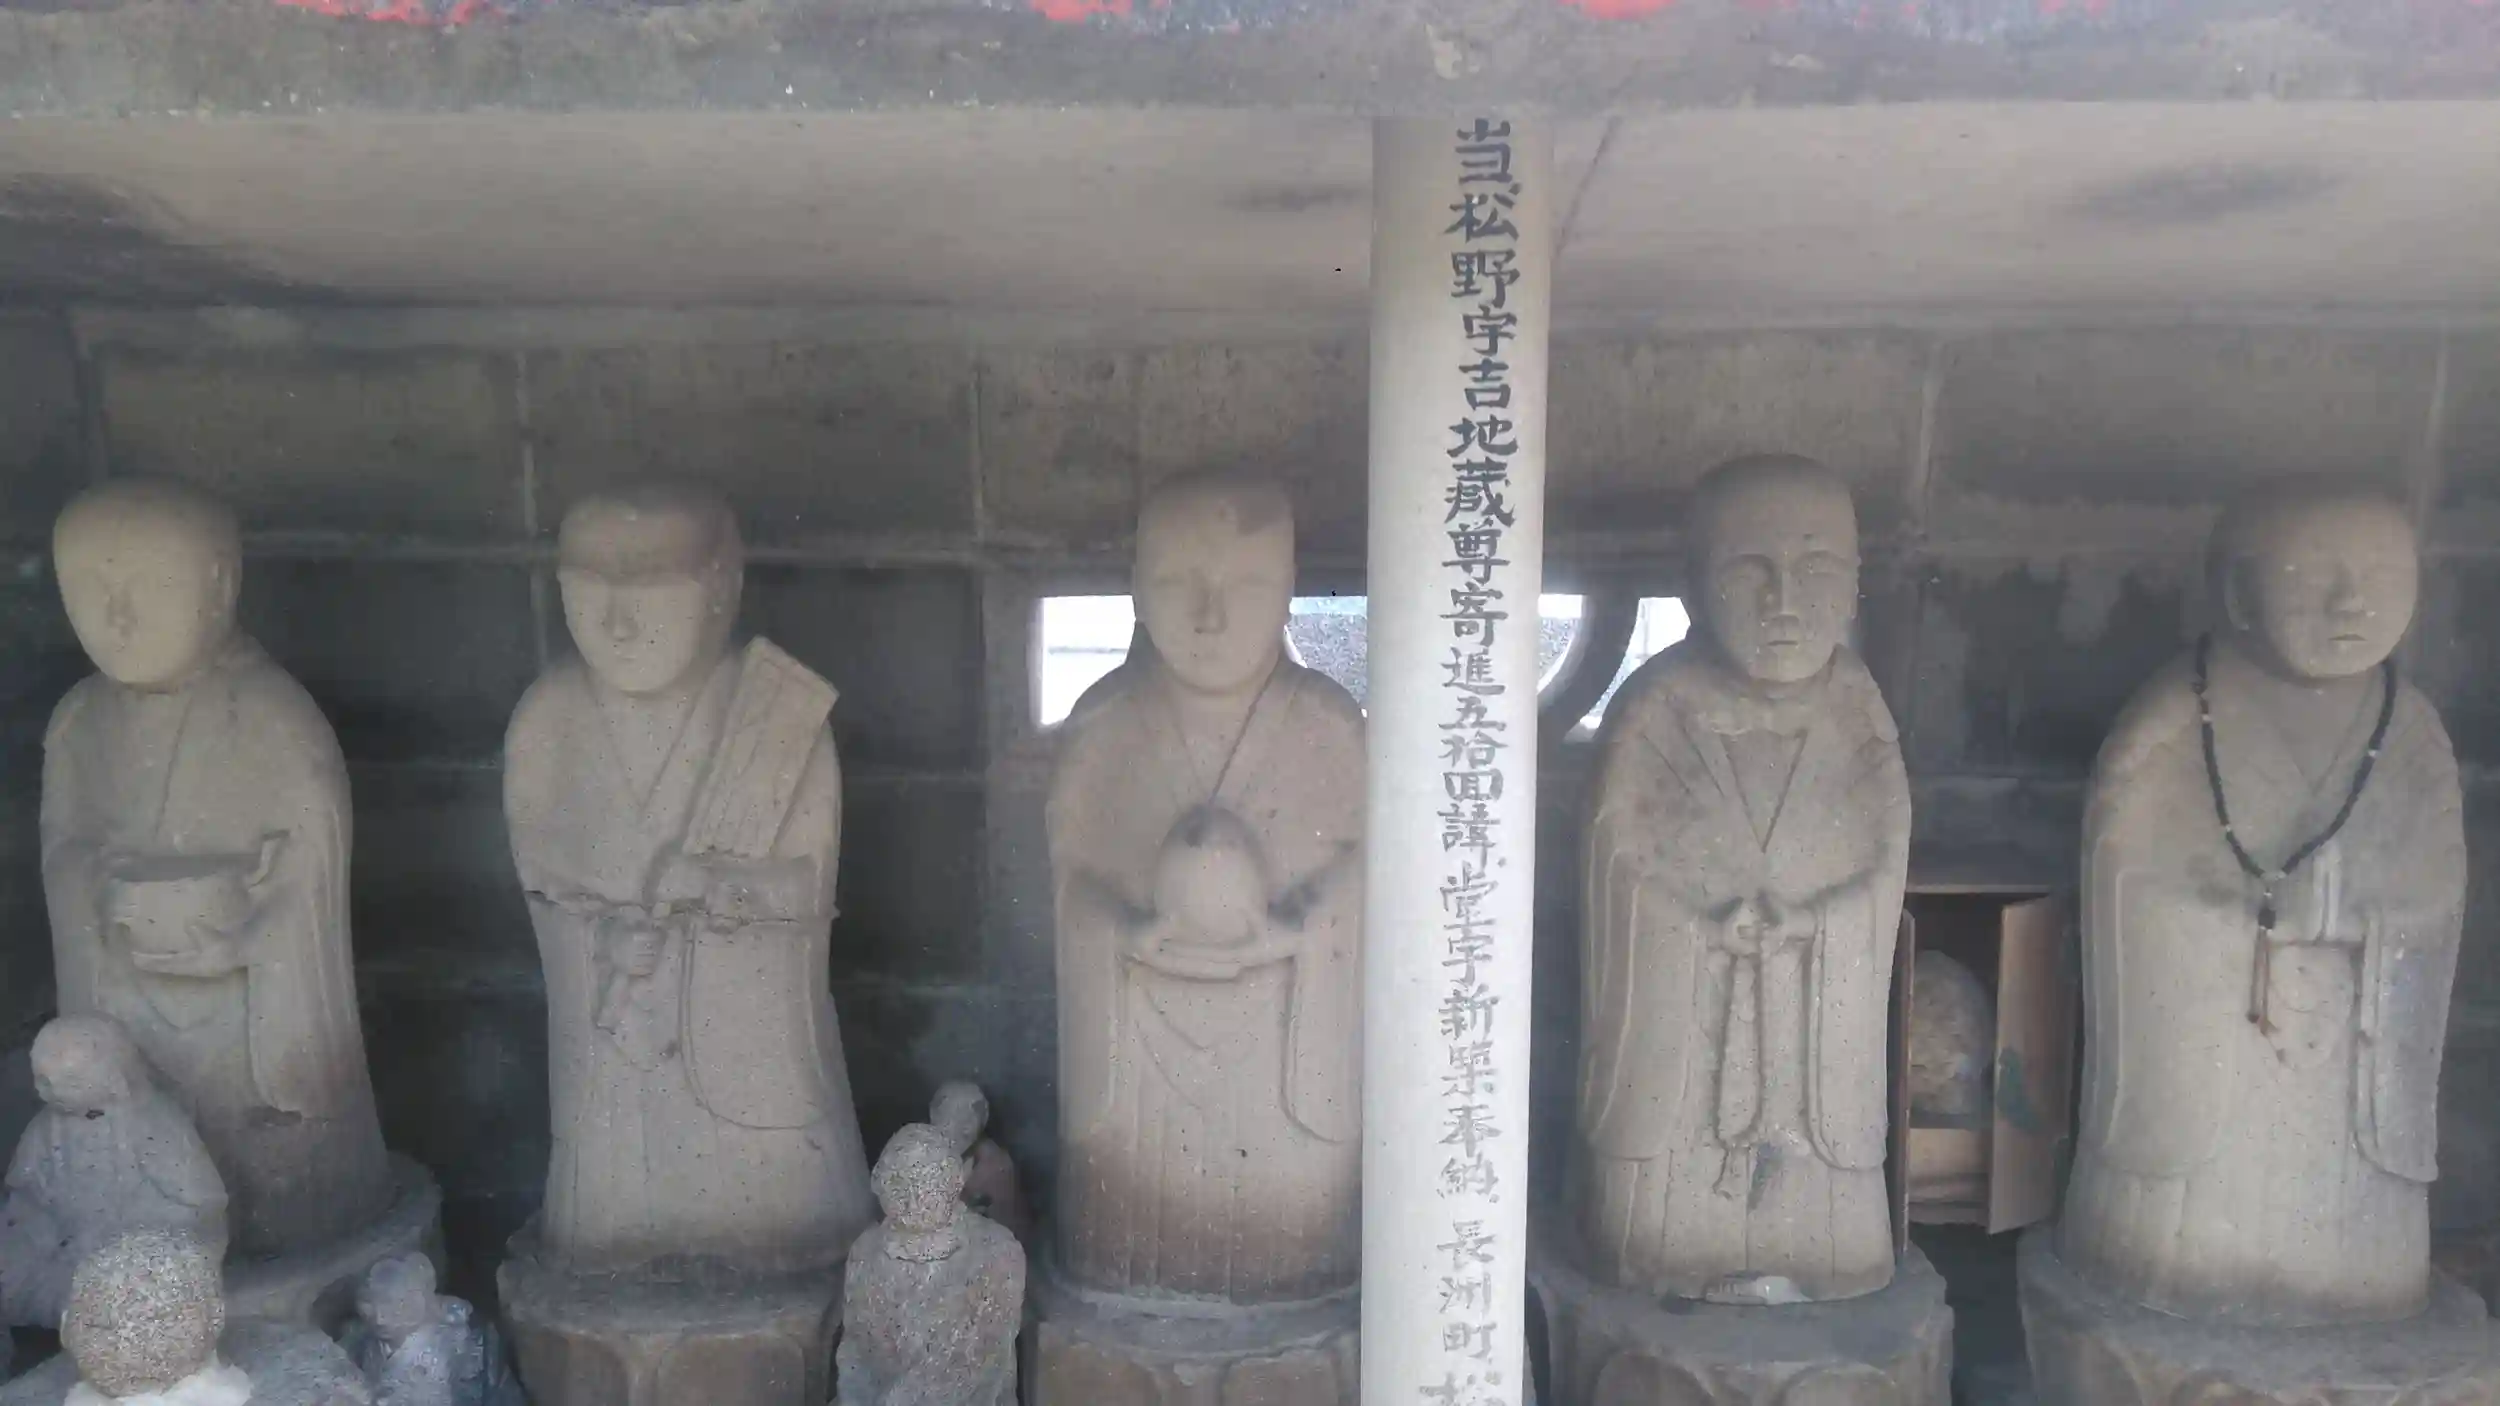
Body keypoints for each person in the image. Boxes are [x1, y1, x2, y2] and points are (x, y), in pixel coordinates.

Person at [2060, 487, 2461, 1326]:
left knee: (2353, 1230)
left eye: (2382, 576)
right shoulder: (2177, 715)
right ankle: (2172, 1276)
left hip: (2350, 1054)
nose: (2350, 603)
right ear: (2238, 592)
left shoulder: (2409, 726)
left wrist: (2356, 914)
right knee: (2185, 1242)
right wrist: (2230, 915)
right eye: (2314, 575)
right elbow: (2125, 871)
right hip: (2213, 1054)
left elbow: (2435, 884)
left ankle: (2358, 1289)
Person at [503, 481, 872, 1274]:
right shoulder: (548, 719)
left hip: (744, 1050)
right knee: (608, 1239)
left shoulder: (777, 719)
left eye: (649, 591)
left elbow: (807, 901)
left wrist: (715, 888)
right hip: (617, 1048)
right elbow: (543, 887)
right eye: (587, 592)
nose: (617, 622)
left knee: (784, 1238)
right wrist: (604, 938)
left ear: (723, 586)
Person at [1574, 455, 1908, 1304]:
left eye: (1816, 571)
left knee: (1834, 1240)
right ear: (1691, 586)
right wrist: (1693, 926)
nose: (1782, 602)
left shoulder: (1860, 712)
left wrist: (1818, 926)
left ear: (1856, 583)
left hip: (1815, 1056)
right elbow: (1618, 863)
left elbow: (1884, 860)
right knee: (1654, 1239)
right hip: (1682, 1055)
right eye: (1748, 571)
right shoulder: (1654, 709)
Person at [42, 479, 390, 1257]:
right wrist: (96, 888)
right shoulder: (78, 722)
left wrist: (252, 935)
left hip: (244, 1004)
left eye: (152, 588)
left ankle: (284, 1228)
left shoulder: (271, 713)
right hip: (127, 981)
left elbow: (313, 869)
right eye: (91, 591)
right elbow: (62, 851)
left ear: (222, 584)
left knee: (269, 1161)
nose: (119, 618)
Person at [1046, 471, 1362, 1301]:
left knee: (1293, 1231)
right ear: (1135, 590)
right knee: (1127, 1216)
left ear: (1289, 589)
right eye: (1177, 584)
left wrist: (1305, 929)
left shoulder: (1329, 727)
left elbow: (1370, 876)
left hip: (1285, 1042)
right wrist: (1119, 934)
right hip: (1139, 1048)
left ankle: (1296, 1267)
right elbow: (1070, 882)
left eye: (1246, 587)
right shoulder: (1104, 726)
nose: (1210, 618)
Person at [1, 1017, 227, 1328]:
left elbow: (200, 1204)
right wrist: (38, 1233)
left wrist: (126, 1232)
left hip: (133, 1243)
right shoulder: (45, 1128)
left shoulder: (152, 1123)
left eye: (72, 1082)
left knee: (139, 1290)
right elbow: (27, 1198)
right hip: (63, 1244)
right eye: (44, 1082)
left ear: (114, 1077)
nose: (54, 1093)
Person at [836, 1125, 1022, 1406]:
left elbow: (987, 1359)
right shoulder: (866, 1251)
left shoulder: (997, 1251)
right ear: (879, 1183)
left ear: (957, 1180)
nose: (915, 1200)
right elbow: (856, 1354)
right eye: (900, 1184)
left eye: (929, 1184)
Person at [342, 1255, 520, 1406]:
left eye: (393, 1310)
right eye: (369, 1308)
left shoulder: (444, 1348)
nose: (380, 1319)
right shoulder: (369, 1338)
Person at [928, 1082, 1031, 1247]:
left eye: (971, 1116)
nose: (965, 1127)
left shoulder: (996, 1167)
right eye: (952, 1115)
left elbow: (1010, 1234)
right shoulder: (922, 1158)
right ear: (933, 1116)